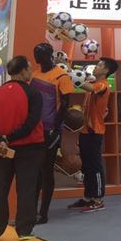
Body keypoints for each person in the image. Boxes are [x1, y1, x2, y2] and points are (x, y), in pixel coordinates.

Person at [0, 55, 46, 241]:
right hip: (29, 148)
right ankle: (24, 230)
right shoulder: (33, 93)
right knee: (26, 188)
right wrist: (8, 138)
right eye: (29, 68)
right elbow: (31, 123)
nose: (31, 72)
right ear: (23, 71)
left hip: (0, 149)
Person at [30, 42, 78, 225]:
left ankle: (43, 213)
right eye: (35, 53)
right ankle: (31, 210)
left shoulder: (61, 76)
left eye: (40, 53)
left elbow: (65, 105)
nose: (37, 57)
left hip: (51, 130)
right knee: (35, 172)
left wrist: (55, 128)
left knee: (46, 171)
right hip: (35, 129)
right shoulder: (35, 74)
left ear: (49, 54)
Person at [71, 56, 118, 213]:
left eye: (99, 65)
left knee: (95, 166)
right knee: (86, 166)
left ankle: (98, 199)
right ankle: (88, 197)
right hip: (85, 131)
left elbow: (90, 88)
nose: (96, 67)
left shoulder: (103, 85)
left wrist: (71, 75)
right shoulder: (94, 82)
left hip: (94, 131)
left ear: (106, 70)